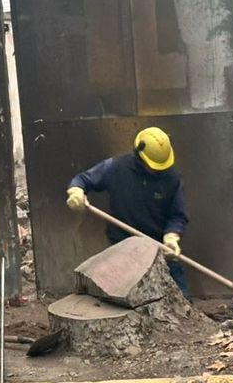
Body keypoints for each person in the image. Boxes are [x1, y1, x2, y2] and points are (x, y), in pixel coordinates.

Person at [66, 127, 190, 298]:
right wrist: (76, 191)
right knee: (124, 297)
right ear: (140, 157)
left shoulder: (172, 179)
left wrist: (171, 237)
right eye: (154, 167)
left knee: (181, 297)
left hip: (158, 246)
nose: (159, 171)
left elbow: (177, 214)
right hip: (122, 244)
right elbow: (83, 179)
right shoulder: (116, 168)